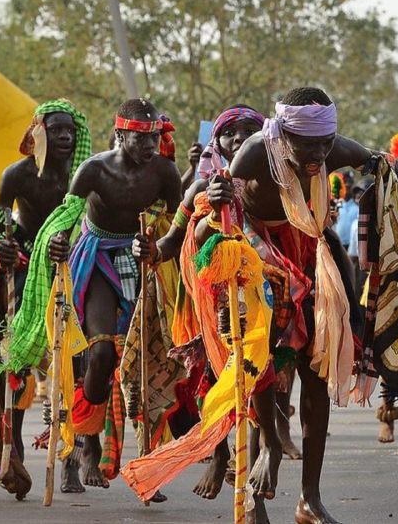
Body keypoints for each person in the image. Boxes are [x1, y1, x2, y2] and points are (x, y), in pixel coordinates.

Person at [200, 87, 398, 524]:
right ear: (283, 133)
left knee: (317, 371)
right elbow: (221, 207)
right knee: (259, 359)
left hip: (311, 254)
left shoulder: (332, 152)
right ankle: (265, 455)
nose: (319, 154)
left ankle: (309, 498)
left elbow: (397, 172)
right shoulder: (252, 155)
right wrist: (217, 199)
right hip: (257, 252)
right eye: (308, 144)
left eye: (327, 143)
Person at [7, 98, 181, 500]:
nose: (150, 146)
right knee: (99, 355)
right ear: (120, 135)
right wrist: (55, 242)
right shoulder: (94, 169)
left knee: (143, 364)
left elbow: (176, 222)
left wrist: (154, 241)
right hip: (96, 257)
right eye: (140, 138)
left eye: (154, 137)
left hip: (140, 259)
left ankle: (145, 468)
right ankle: (83, 443)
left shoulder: (165, 172)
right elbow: (65, 218)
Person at [133, 104, 272, 499]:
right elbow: (168, 245)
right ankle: (219, 456)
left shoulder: (270, 183)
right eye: (230, 133)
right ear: (217, 142)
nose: (239, 138)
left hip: (260, 297)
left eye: (249, 131)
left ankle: (265, 454)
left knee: (258, 376)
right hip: (208, 305)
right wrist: (147, 250)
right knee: (212, 380)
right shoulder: (197, 188)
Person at [0, 99, 93, 494]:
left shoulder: (85, 174)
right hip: (23, 264)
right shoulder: (16, 176)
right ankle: (14, 449)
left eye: (70, 131)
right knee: (16, 360)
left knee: (78, 359)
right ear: (36, 132)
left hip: (74, 256)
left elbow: (98, 218)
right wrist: (0, 253)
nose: (65, 137)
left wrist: (71, 246)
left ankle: (74, 455)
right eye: (56, 129)